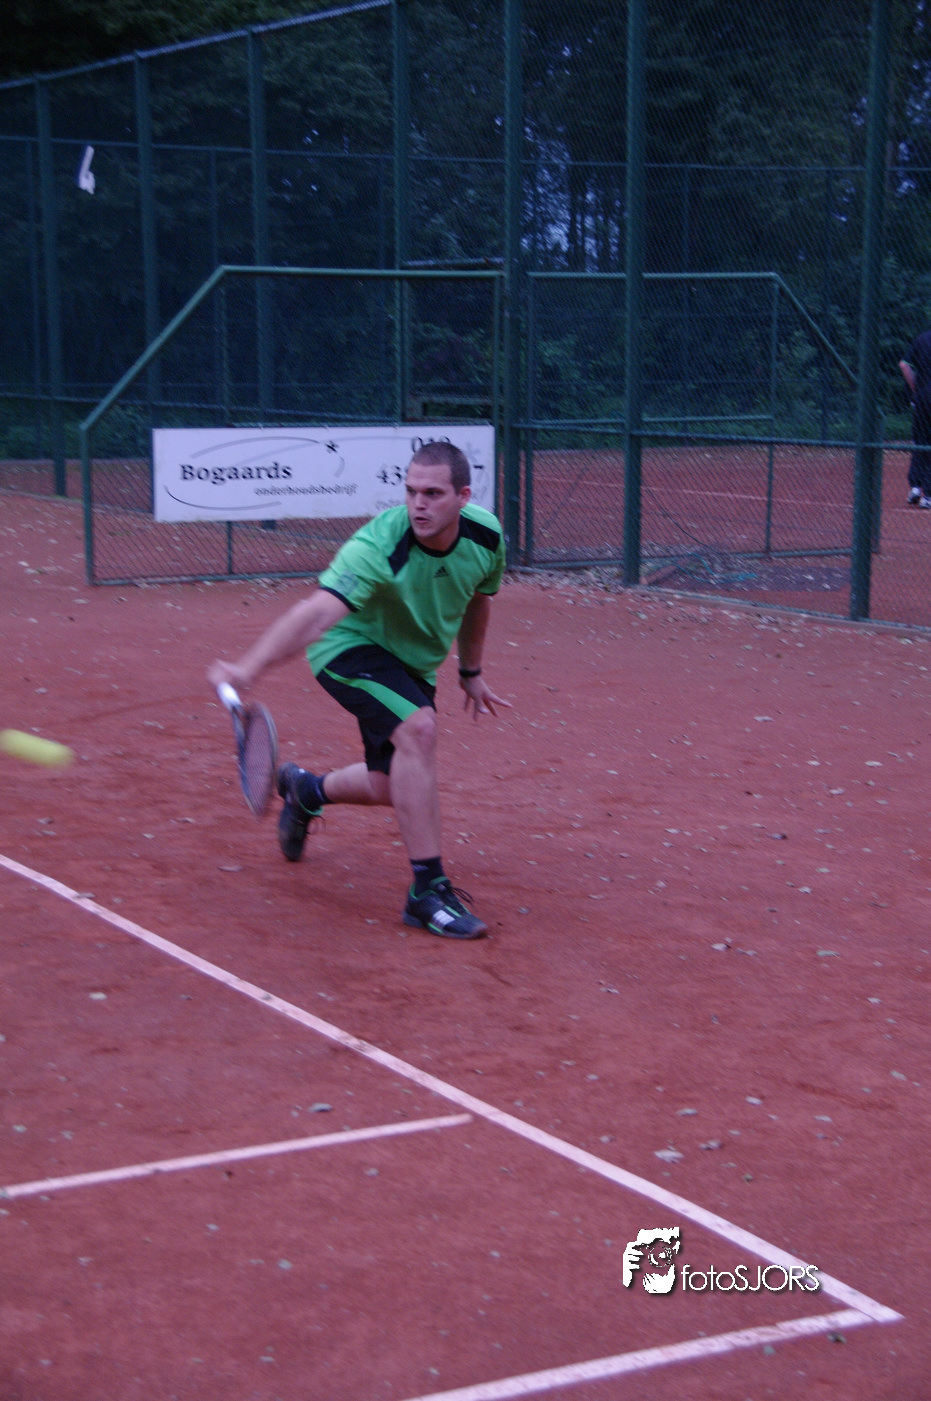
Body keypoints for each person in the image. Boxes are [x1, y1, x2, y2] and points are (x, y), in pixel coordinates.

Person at [208, 441, 511, 940]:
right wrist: (249, 668)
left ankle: (306, 791)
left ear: (463, 496)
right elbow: (317, 614)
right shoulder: (378, 546)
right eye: (411, 491)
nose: (418, 504)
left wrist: (471, 670)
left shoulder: (486, 535)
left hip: (412, 663)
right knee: (419, 729)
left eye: (433, 494)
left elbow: (480, 597)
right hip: (347, 647)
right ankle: (427, 892)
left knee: (392, 786)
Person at [899, 330, 931, 506]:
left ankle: (916, 487)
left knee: (920, 442)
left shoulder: (922, 338)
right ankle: (928, 496)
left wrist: (916, 390)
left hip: (922, 399)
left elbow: (904, 365)